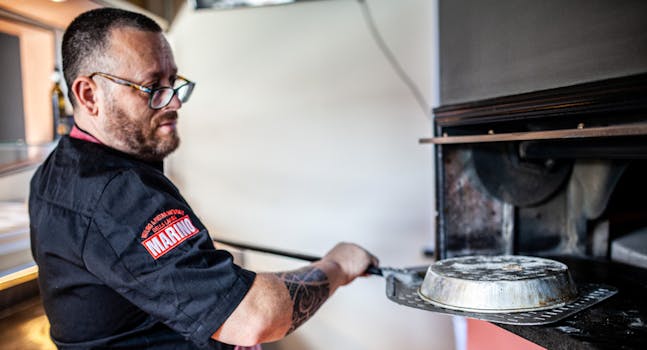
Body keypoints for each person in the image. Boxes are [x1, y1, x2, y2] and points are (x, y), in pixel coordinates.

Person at [29, 7, 377, 350]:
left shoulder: (59, 167)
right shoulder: (117, 193)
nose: (174, 102)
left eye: (173, 82)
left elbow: (144, 281)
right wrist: (338, 265)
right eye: (152, 86)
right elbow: (254, 318)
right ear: (90, 95)